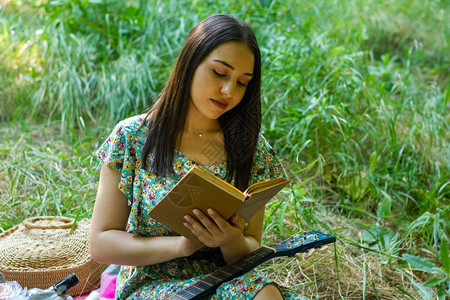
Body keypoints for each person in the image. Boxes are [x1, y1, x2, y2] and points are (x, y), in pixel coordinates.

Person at [90, 14, 306, 300]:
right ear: (190, 64)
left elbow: (252, 246)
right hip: (152, 283)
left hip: (228, 280)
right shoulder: (132, 138)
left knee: (266, 293)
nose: (229, 91)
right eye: (219, 73)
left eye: (242, 82)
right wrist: (181, 246)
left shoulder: (250, 148)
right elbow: (101, 243)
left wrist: (231, 241)